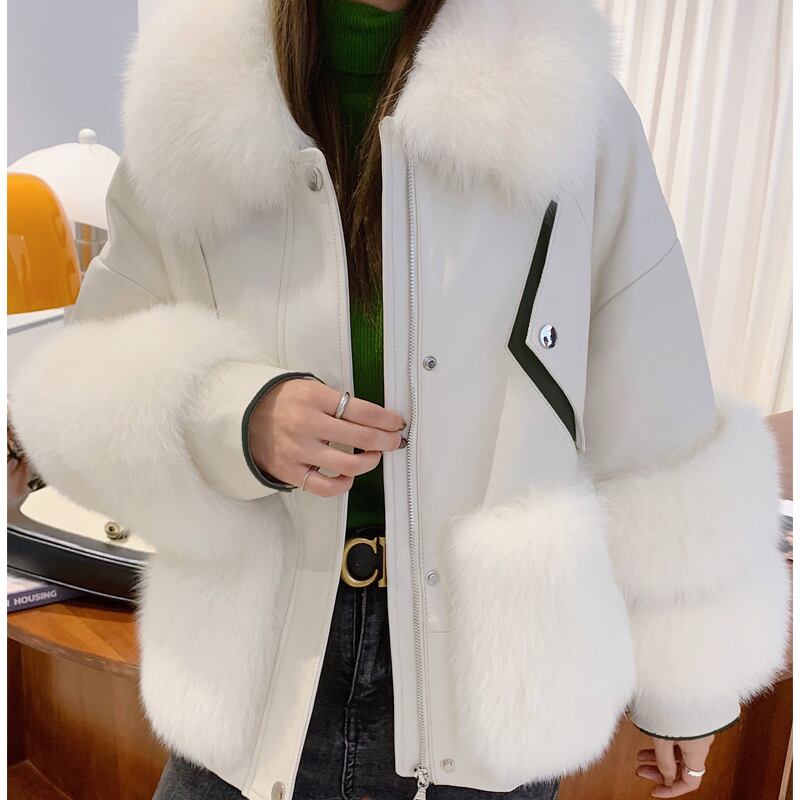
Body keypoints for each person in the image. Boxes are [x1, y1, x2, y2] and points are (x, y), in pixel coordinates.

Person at [9, 0, 789, 798]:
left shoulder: (565, 93)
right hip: (254, 674)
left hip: (490, 685)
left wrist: (686, 678)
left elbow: (654, 398)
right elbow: (83, 387)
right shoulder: (194, 92)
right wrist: (234, 418)